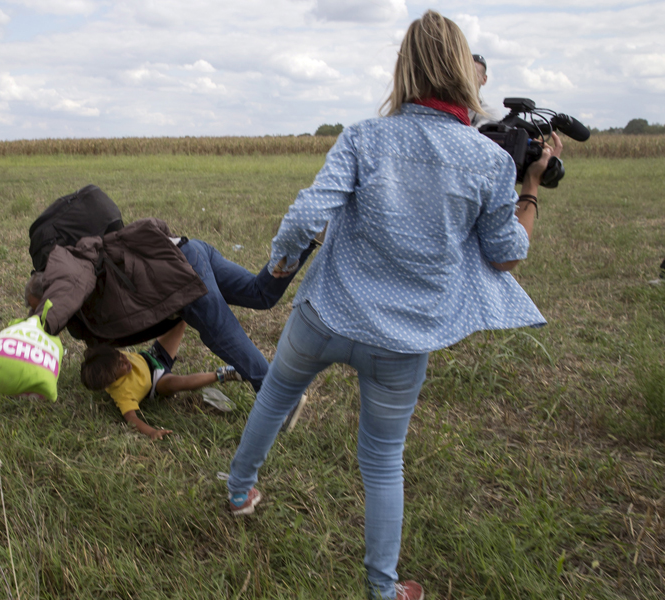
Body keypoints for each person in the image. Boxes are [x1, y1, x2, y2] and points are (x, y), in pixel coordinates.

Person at [224, 10, 562, 600]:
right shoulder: (490, 161)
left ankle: (237, 492)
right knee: (382, 460)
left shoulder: (364, 136)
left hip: (324, 314)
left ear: (405, 68)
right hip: (402, 342)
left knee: (275, 396)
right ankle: (383, 588)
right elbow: (507, 255)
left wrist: (279, 265)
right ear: (463, 71)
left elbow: (307, 214)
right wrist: (529, 186)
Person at [27, 217, 317, 393]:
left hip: (177, 276)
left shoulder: (72, 278)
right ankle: (304, 239)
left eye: (38, 307)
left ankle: (279, 398)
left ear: (52, 292)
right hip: (188, 250)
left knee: (221, 333)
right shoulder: (86, 299)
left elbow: (64, 296)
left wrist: (36, 330)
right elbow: (99, 349)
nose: (36, 313)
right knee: (259, 294)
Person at [79, 320, 242, 440]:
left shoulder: (109, 358)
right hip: (158, 381)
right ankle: (223, 374)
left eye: (120, 355)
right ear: (112, 379)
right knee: (175, 383)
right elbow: (132, 419)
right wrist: (152, 432)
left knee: (180, 320)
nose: (124, 359)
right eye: (120, 365)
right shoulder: (122, 393)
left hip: (154, 356)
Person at [469, 53, 501, 128]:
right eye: (465, 74)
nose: (468, 79)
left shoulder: (489, 114)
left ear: (484, 79)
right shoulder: (446, 109)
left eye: (474, 76)